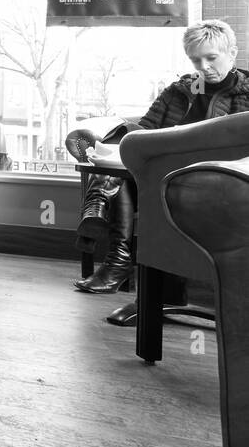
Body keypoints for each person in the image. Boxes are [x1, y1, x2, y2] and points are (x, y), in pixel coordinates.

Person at [68, 19, 249, 297]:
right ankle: (117, 260)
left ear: (232, 53)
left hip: (218, 182)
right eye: (195, 60)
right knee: (121, 157)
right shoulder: (178, 91)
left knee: (123, 179)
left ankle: (103, 227)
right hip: (160, 175)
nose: (203, 67)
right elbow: (147, 131)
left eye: (211, 58)